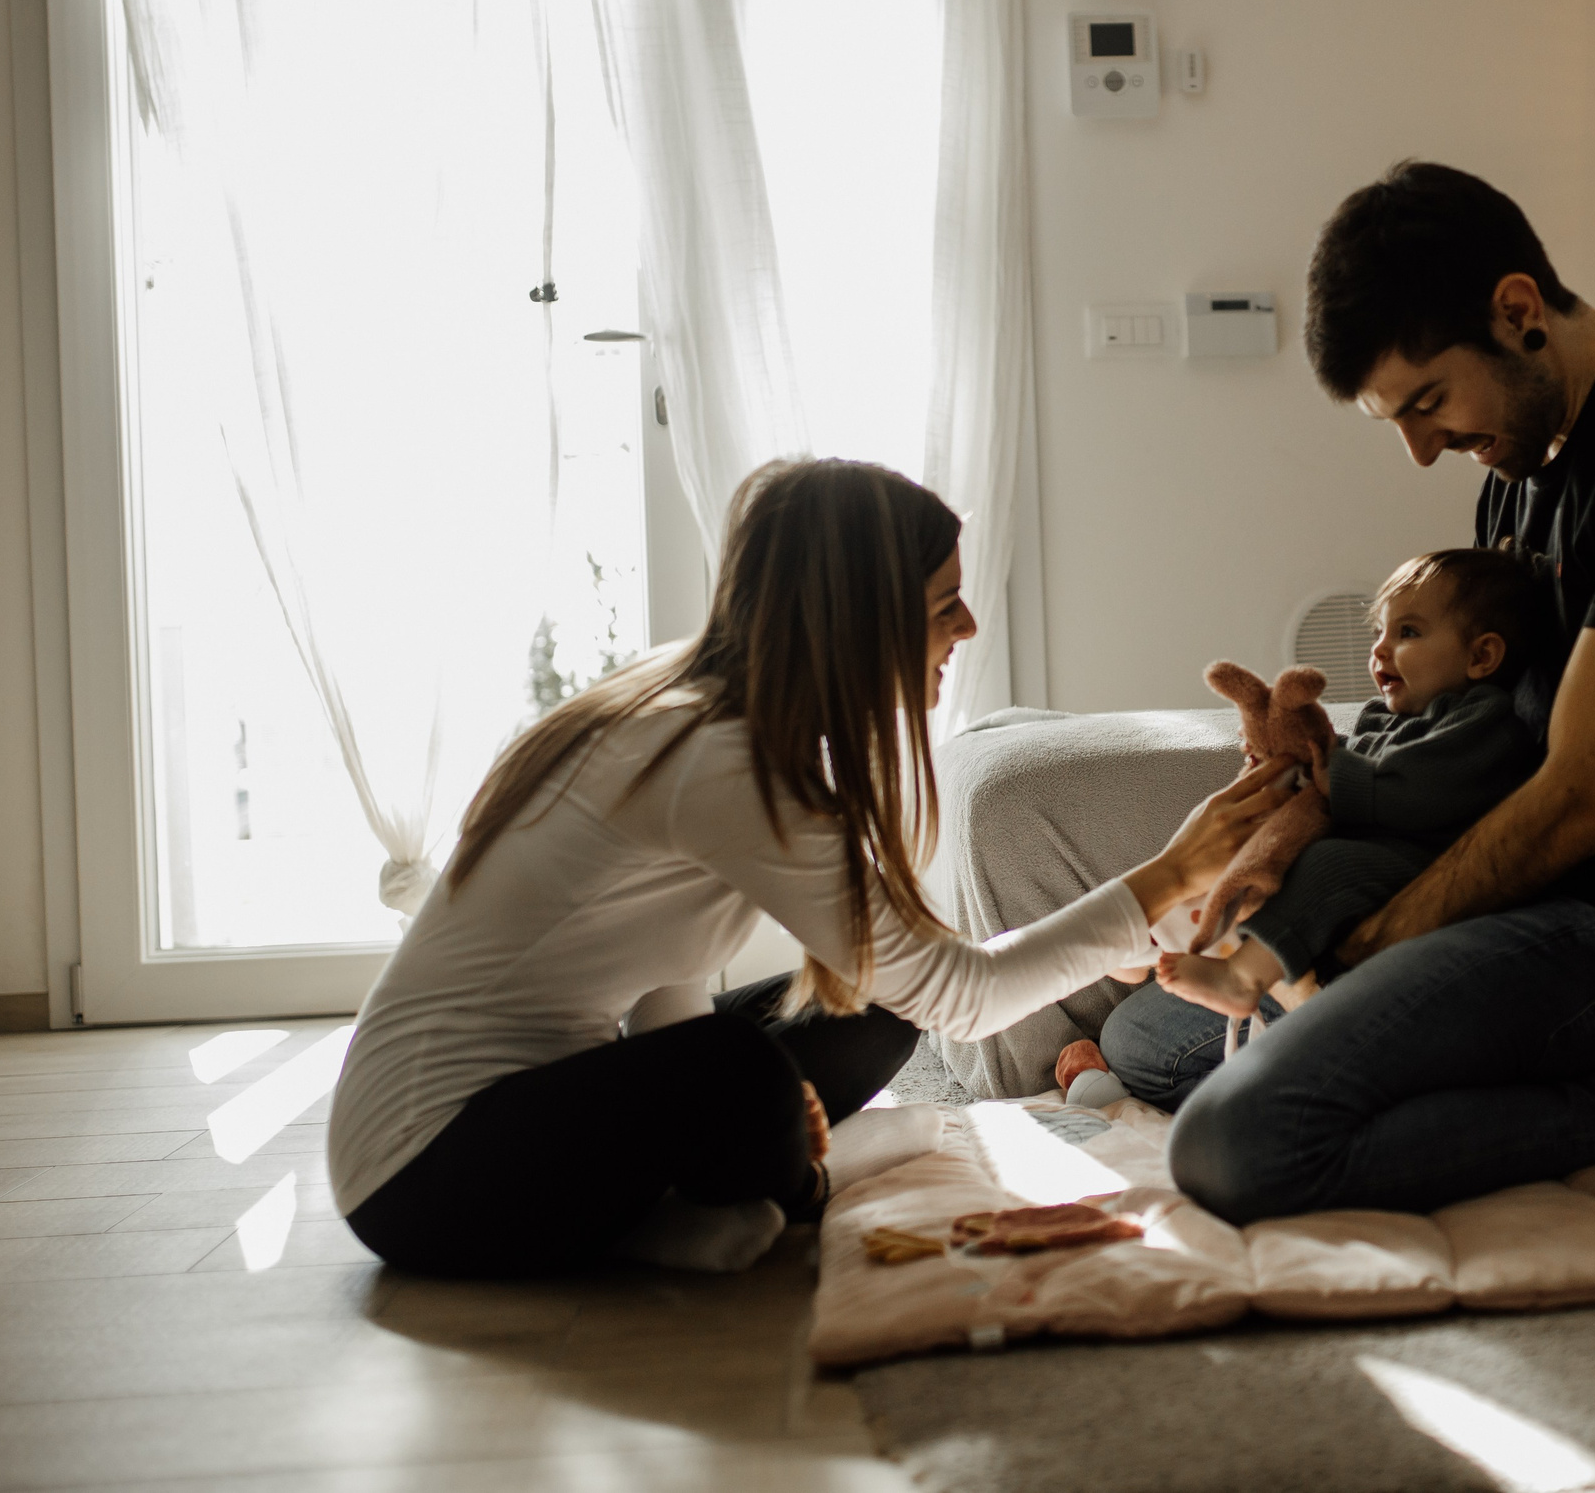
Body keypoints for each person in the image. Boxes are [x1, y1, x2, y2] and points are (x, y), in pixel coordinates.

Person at [328, 459, 1285, 1278]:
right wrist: (1166, 874)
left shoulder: (715, 716)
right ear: (860, 621)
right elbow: (968, 998)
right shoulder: (726, 758)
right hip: (426, 1170)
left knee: (863, 1005)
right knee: (746, 1066)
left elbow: (675, 992)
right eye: (944, 602)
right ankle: (792, 1186)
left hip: (554, 1100)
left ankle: (720, 1193)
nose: (971, 625)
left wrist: (722, 1119)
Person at [1103, 161, 1595, 1222]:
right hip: (1497, 907)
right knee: (1148, 1033)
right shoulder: (1518, 470)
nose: (1420, 452)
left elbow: (1581, 802)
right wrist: (1302, 799)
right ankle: (1479, 1074)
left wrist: (1360, 953)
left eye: (1429, 402)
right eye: (1394, 419)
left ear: (1518, 311)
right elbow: (1459, 734)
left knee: (1236, 1144)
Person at [1154, 548, 1544, 1023]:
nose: (1380, 648)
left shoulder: (1484, 721)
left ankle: (1244, 977)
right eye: (1380, 631)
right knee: (1259, 844)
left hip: (1427, 862)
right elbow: (1351, 760)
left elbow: (1424, 789)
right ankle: (1163, 932)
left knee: (1328, 864)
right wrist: (1298, 757)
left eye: (1408, 632)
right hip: (1382, 847)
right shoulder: (1383, 714)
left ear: (1481, 656)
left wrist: (1335, 774)